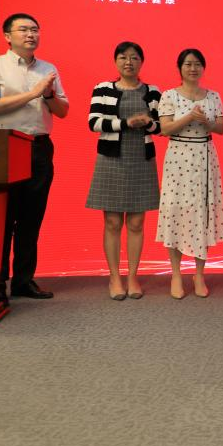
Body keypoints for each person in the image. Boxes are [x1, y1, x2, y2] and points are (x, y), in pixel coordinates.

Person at [0, 13, 70, 302]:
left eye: (35, 29)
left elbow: (63, 111)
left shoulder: (48, 69)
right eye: (24, 29)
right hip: (7, 147)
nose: (31, 34)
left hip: (40, 147)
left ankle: (23, 281)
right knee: (4, 220)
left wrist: (49, 95)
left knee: (31, 219)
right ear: (7, 36)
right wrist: (33, 93)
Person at [86, 42, 162, 301]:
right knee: (112, 222)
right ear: (115, 61)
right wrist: (126, 123)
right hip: (111, 159)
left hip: (141, 159)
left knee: (137, 223)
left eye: (134, 58)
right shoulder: (103, 88)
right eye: (123, 57)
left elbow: (160, 126)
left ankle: (132, 277)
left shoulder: (153, 91)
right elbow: (94, 122)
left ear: (142, 62)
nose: (129, 62)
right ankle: (114, 277)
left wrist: (148, 123)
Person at [156, 48, 223, 300]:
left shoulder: (213, 96)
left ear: (203, 68)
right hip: (178, 157)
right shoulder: (169, 95)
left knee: (202, 212)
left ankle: (199, 274)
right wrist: (189, 116)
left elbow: (221, 128)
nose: (193, 68)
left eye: (197, 64)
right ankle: (176, 274)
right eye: (188, 64)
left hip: (205, 156)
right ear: (180, 68)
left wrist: (207, 121)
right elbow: (165, 129)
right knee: (175, 212)